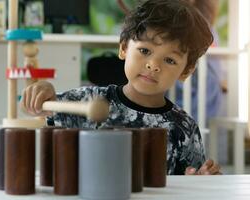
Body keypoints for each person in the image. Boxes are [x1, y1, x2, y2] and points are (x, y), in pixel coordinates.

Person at [21, 0, 221, 175]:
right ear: (124, 48)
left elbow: (191, 182)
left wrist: (202, 177)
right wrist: (42, 92)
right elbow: (37, 109)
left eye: (169, 60)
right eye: (144, 50)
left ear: (186, 70)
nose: (153, 65)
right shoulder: (89, 102)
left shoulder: (184, 128)